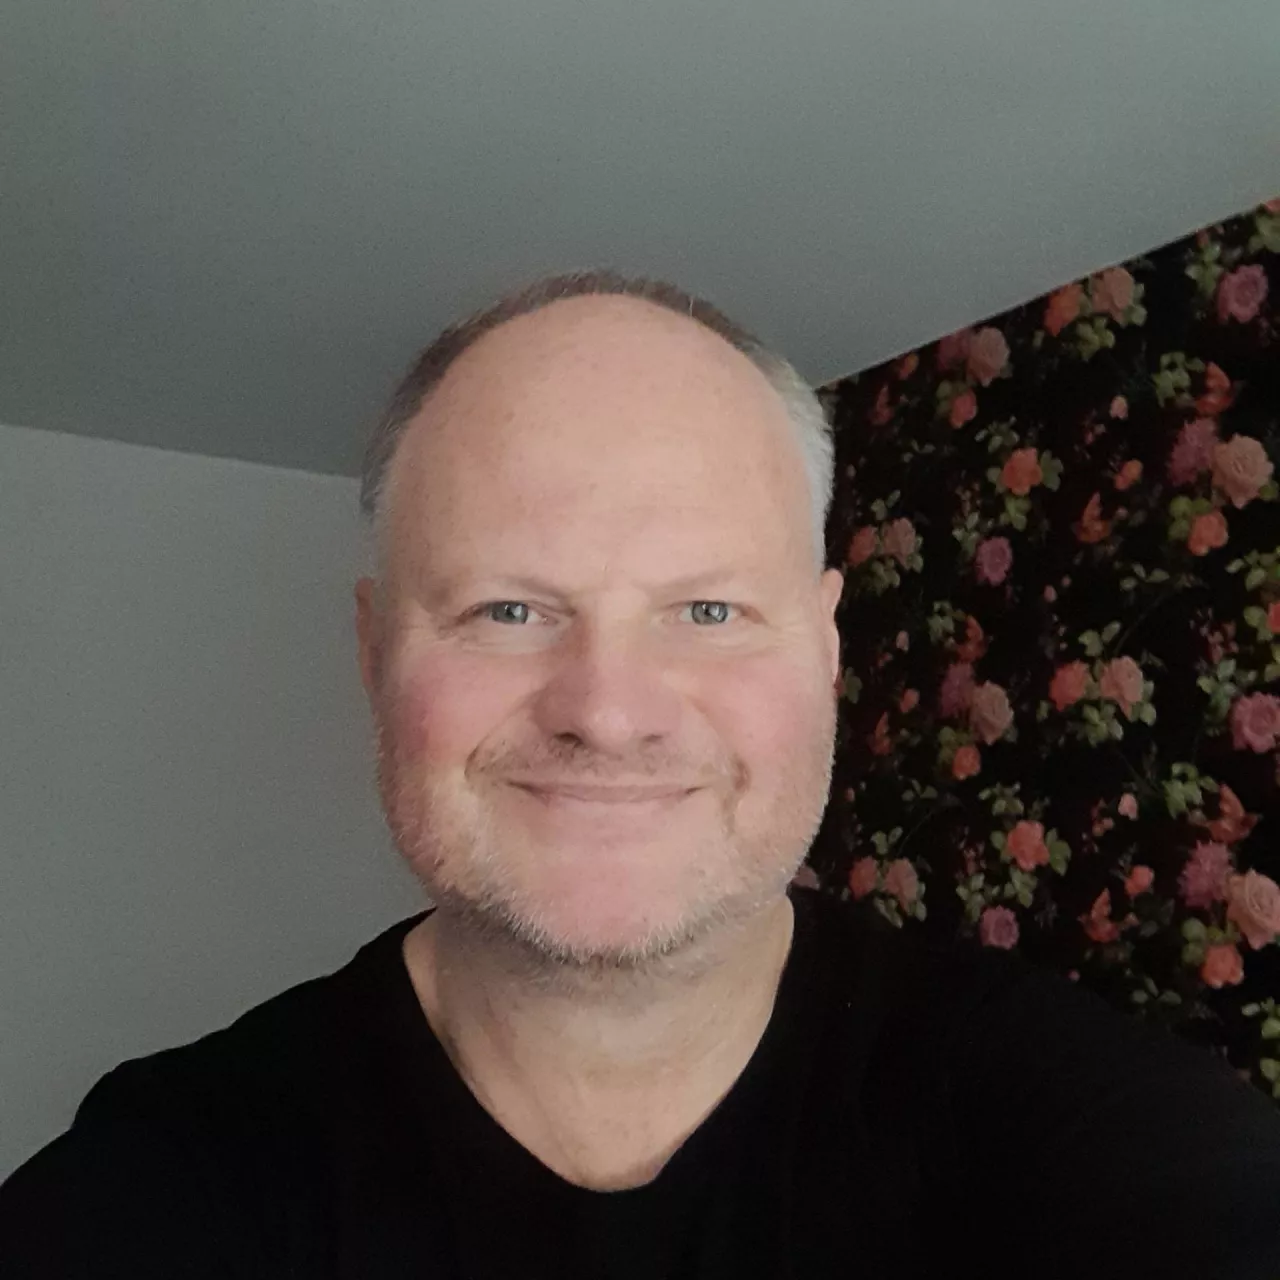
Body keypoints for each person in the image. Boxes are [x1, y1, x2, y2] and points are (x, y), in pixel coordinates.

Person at [3, 271, 1280, 1279]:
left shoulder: (1093, 1131)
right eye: (508, 609)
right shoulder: (171, 1176)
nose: (606, 713)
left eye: (708, 610)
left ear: (825, 646)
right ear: (373, 650)